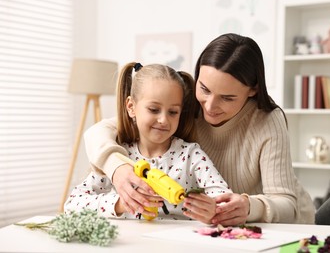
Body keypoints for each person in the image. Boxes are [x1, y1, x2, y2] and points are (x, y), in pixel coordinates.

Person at [83, 33, 316, 226]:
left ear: (253, 90)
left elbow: (287, 203)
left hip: (284, 227)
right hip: (220, 227)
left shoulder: (267, 120)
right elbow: (98, 132)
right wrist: (118, 168)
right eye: (204, 89)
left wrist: (250, 206)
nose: (210, 106)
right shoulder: (181, 108)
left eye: (227, 98)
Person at [64, 62, 231, 224]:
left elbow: (225, 199)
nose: (164, 120)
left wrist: (213, 210)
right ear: (131, 107)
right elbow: (72, 205)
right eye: (154, 109)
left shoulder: (191, 156)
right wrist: (121, 203)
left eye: (173, 112)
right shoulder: (118, 157)